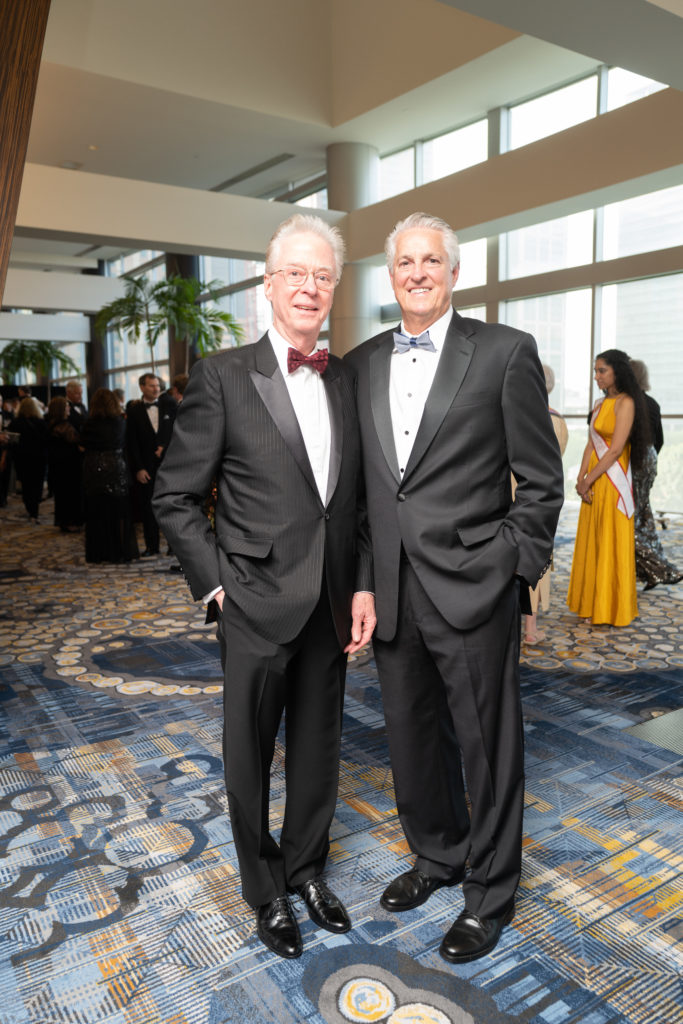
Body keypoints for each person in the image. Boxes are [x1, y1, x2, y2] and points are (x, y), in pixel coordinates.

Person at [153, 213, 375, 960]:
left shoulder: (345, 377)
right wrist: (216, 586)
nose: (309, 288)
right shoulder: (221, 376)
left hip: (332, 600)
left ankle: (307, 867)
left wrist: (363, 586)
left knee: (319, 746)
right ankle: (264, 889)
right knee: (248, 753)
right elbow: (175, 496)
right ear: (269, 283)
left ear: (332, 287)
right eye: (296, 275)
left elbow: (361, 502)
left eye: (322, 276)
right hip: (251, 601)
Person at [345, 212, 563, 965]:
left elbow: (540, 481)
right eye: (404, 261)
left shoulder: (503, 352)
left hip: (475, 582)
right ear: (391, 273)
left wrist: (514, 569)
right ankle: (438, 856)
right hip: (392, 588)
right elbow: (367, 491)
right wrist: (362, 584)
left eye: (429, 260)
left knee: (486, 745)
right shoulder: (362, 361)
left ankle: (490, 893)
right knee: (409, 738)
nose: (416, 272)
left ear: (452, 271)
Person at [567, 349, 649, 627]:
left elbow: (614, 451)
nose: (596, 376)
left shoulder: (626, 403)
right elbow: (591, 443)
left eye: (602, 370)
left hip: (612, 483)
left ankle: (611, 608)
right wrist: (580, 477)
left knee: (610, 541)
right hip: (593, 480)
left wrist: (589, 479)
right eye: (595, 370)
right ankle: (591, 603)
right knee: (593, 540)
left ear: (617, 371)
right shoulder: (600, 403)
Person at [521, 364, 569, 644]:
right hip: (540, 498)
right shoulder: (556, 421)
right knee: (536, 557)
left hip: (506, 493)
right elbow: (556, 459)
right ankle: (530, 628)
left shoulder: (514, 414)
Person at [629, 359, 681, 590]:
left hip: (633, 461)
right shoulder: (652, 402)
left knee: (629, 520)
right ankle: (648, 570)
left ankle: (661, 569)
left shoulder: (628, 403)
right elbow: (659, 439)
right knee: (643, 515)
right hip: (649, 460)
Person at [81, 388, 139, 563]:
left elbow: (82, 444)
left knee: (96, 512)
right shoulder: (119, 422)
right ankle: (120, 552)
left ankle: (98, 553)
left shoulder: (88, 423)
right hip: (115, 467)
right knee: (119, 512)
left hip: (93, 467)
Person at [126, 373, 174, 555]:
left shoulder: (169, 404)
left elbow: (175, 430)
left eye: (158, 385)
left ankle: (173, 546)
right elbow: (132, 443)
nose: (156, 389)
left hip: (169, 466)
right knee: (148, 508)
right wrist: (138, 468)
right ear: (142, 387)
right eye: (152, 386)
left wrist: (163, 445)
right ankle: (151, 546)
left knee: (171, 508)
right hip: (146, 467)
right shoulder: (133, 410)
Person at [46, 396, 82, 531]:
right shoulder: (63, 426)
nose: (69, 409)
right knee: (69, 494)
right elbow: (77, 443)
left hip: (58, 465)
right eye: (67, 406)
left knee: (62, 495)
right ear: (61, 409)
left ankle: (64, 521)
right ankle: (70, 522)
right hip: (68, 466)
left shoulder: (52, 423)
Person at [10, 397, 48, 522]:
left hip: (22, 459)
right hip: (39, 458)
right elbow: (46, 440)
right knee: (37, 484)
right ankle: (34, 510)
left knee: (26, 485)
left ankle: (30, 507)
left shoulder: (15, 422)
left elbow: (12, 442)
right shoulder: (41, 422)